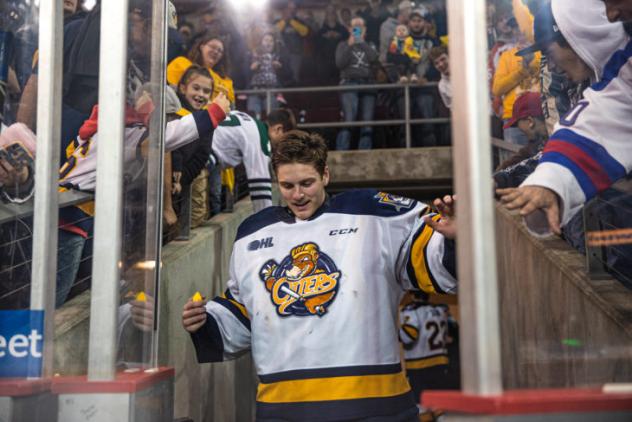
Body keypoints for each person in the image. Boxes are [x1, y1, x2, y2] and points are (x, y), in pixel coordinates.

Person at [182, 130, 458, 421]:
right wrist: (206, 321)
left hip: (374, 406)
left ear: (325, 174)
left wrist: (454, 238)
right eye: (287, 185)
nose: (298, 195)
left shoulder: (374, 213)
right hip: (284, 409)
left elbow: (433, 264)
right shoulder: (252, 232)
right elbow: (246, 313)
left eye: (307, 183)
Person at [497, 0, 631, 236]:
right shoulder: (621, 74)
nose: (611, 15)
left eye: (549, 52)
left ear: (578, 33)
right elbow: (597, 124)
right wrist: (550, 181)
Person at [211, 109, 297, 213]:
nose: (283, 145)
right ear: (278, 129)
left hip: (196, 138)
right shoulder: (261, 138)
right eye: (285, 138)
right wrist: (267, 223)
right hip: (201, 151)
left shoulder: (247, 118)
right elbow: (261, 189)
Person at [171, 65, 215, 228]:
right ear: (183, 88)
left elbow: (202, 156)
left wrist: (182, 180)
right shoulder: (171, 112)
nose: (200, 95)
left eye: (206, 91)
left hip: (183, 184)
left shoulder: (206, 120)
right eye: (196, 88)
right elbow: (170, 146)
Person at [335, 16, 380, 150]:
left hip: (368, 82)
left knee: (367, 122)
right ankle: (342, 151)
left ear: (365, 29)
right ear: (350, 29)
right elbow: (340, 63)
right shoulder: (343, 45)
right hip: (349, 82)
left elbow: (374, 59)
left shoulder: (370, 44)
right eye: (355, 26)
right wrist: (350, 45)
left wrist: (361, 43)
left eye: (361, 26)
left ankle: (365, 151)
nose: (358, 29)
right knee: (349, 118)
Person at [493, 92, 549, 189]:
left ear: (530, 121)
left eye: (517, 124)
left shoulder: (553, 143)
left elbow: (531, 164)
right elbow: (525, 153)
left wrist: (497, 180)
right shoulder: (540, 140)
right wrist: (498, 172)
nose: (518, 129)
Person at [167, 35, 235, 106]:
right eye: (212, 47)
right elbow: (173, 93)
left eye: (220, 51)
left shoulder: (226, 81)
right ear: (201, 46)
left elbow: (231, 106)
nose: (216, 52)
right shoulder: (181, 63)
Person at [246, 32, 284, 119]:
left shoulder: (278, 56)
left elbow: (287, 75)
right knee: (254, 118)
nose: (268, 43)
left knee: (271, 117)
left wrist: (280, 68)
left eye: (271, 41)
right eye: (266, 40)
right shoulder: (252, 55)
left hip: (271, 90)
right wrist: (252, 67)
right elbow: (244, 73)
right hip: (255, 90)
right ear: (261, 42)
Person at [275, 0, 310, 84]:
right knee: (280, 78)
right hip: (280, 55)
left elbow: (305, 32)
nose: (291, 10)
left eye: (293, 8)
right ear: (284, 10)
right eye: (289, 8)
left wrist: (291, 21)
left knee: (294, 78)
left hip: (296, 55)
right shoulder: (278, 21)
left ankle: (294, 95)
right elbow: (274, 31)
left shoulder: (299, 21)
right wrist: (284, 21)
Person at [316, 5, 349, 85]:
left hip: (339, 61)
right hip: (325, 62)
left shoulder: (342, 29)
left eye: (332, 13)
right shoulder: (321, 31)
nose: (331, 15)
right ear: (326, 15)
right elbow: (317, 46)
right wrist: (325, 37)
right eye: (329, 13)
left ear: (335, 15)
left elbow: (348, 42)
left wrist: (339, 36)